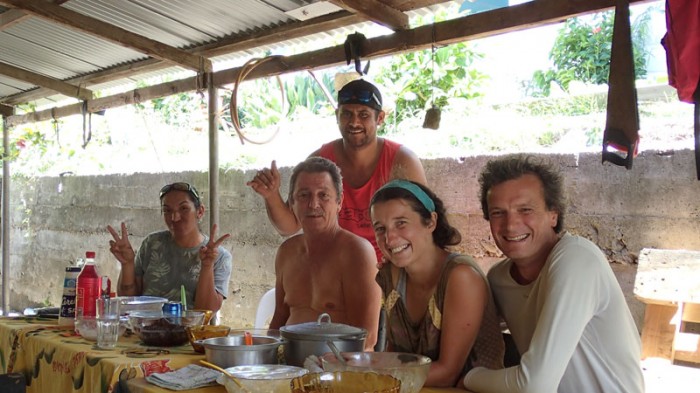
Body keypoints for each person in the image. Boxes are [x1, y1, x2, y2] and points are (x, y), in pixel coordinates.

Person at [463, 155, 644, 393]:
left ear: (553, 215)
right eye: (498, 213)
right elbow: (467, 329)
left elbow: (534, 384)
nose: (510, 225)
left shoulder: (577, 259)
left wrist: (469, 378)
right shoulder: (499, 279)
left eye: (525, 210)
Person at [247, 78, 427, 262]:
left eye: (363, 115)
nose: (354, 122)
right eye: (347, 114)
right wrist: (271, 195)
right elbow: (289, 226)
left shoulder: (402, 162)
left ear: (379, 118)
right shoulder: (320, 161)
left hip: (390, 266)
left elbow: (423, 227)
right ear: (337, 116)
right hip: (336, 266)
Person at [370, 179, 504, 387]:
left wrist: (365, 375)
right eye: (380, 228)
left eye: (401, 223)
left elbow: (447, 374)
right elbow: (393, 356)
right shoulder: (392, 275)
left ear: (431, 222)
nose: (389, 238)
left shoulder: (460, 278)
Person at [269, 157, 381, 351]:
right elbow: (279, 320)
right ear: (292, 203)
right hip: (288, 366)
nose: (313, 204)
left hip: (340, 369)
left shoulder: (356, 253)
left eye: (323, 195)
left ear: (339, 202)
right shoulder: (287, 252)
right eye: (304, 195)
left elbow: (367, 338)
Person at [107, 182, 232, 313]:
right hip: (146, 330)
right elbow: (129, 302)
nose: (175, 217)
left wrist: (207, 266)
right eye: (167, 210)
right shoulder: (152, 244)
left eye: (183, 209)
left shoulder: (219, 256)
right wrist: (127, 265)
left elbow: (205, 312)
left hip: (189, 333)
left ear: (200, 211)